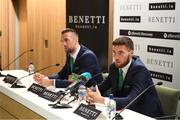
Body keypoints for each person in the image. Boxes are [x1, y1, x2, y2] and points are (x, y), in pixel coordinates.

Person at [87, 36, 164, 117]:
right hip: (124, 111)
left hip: (144, 114)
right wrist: (90, 91)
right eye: (114, 52)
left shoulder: (140, 70)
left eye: (121, 53)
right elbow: (103, 86)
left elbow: (131, 100)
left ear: (131, 53)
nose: (116, 57)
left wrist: (101, 100)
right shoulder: (114, 67)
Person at [33, 28, 103, 88]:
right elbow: (62, 74)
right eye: (62, 41)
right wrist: (45, 78)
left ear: (76, 40)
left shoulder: (87, 56)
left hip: (93, 93)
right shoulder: (70, 54)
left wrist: (51, 82)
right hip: (78, 92)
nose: (64, 44)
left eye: (66, 40)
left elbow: (78, 82)